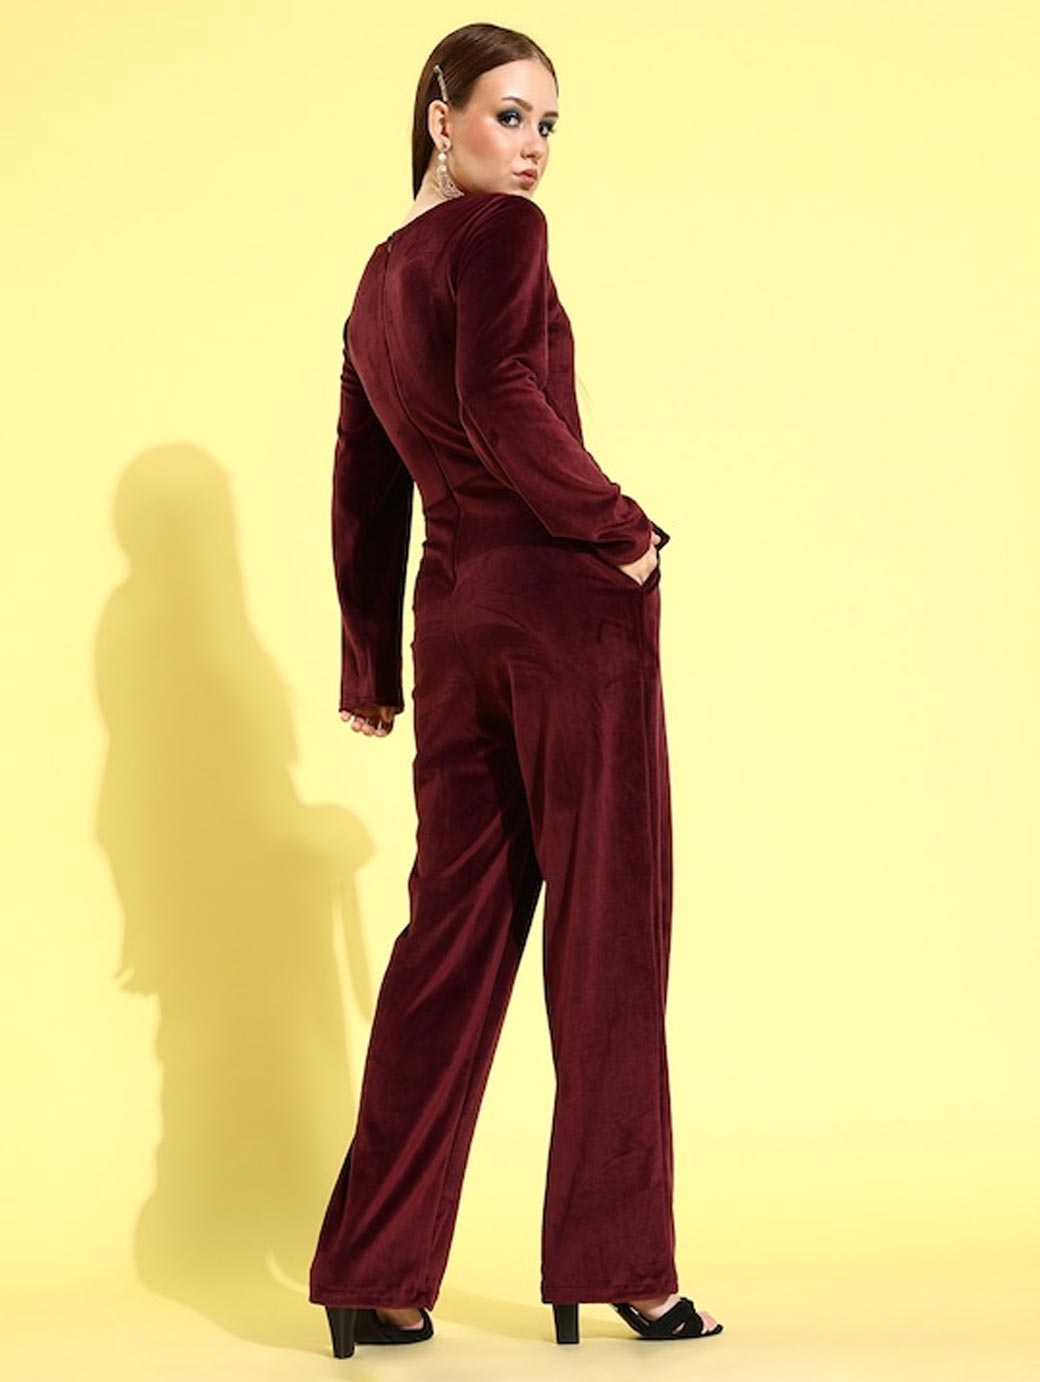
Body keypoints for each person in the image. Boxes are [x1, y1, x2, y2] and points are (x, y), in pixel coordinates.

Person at [308, 22, 723, 1358]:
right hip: (562, 611)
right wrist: (620, 525)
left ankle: (375, 1272)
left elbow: (363, 487)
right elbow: (499, 392)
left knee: (448, 946)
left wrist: (370, 664)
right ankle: (624, 1264)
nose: (533, 148)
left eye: (547, 125)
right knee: (610, 937)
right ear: (440, 118)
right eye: (508, 115)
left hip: (453, 623)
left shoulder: (375, 284)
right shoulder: (504, 236)